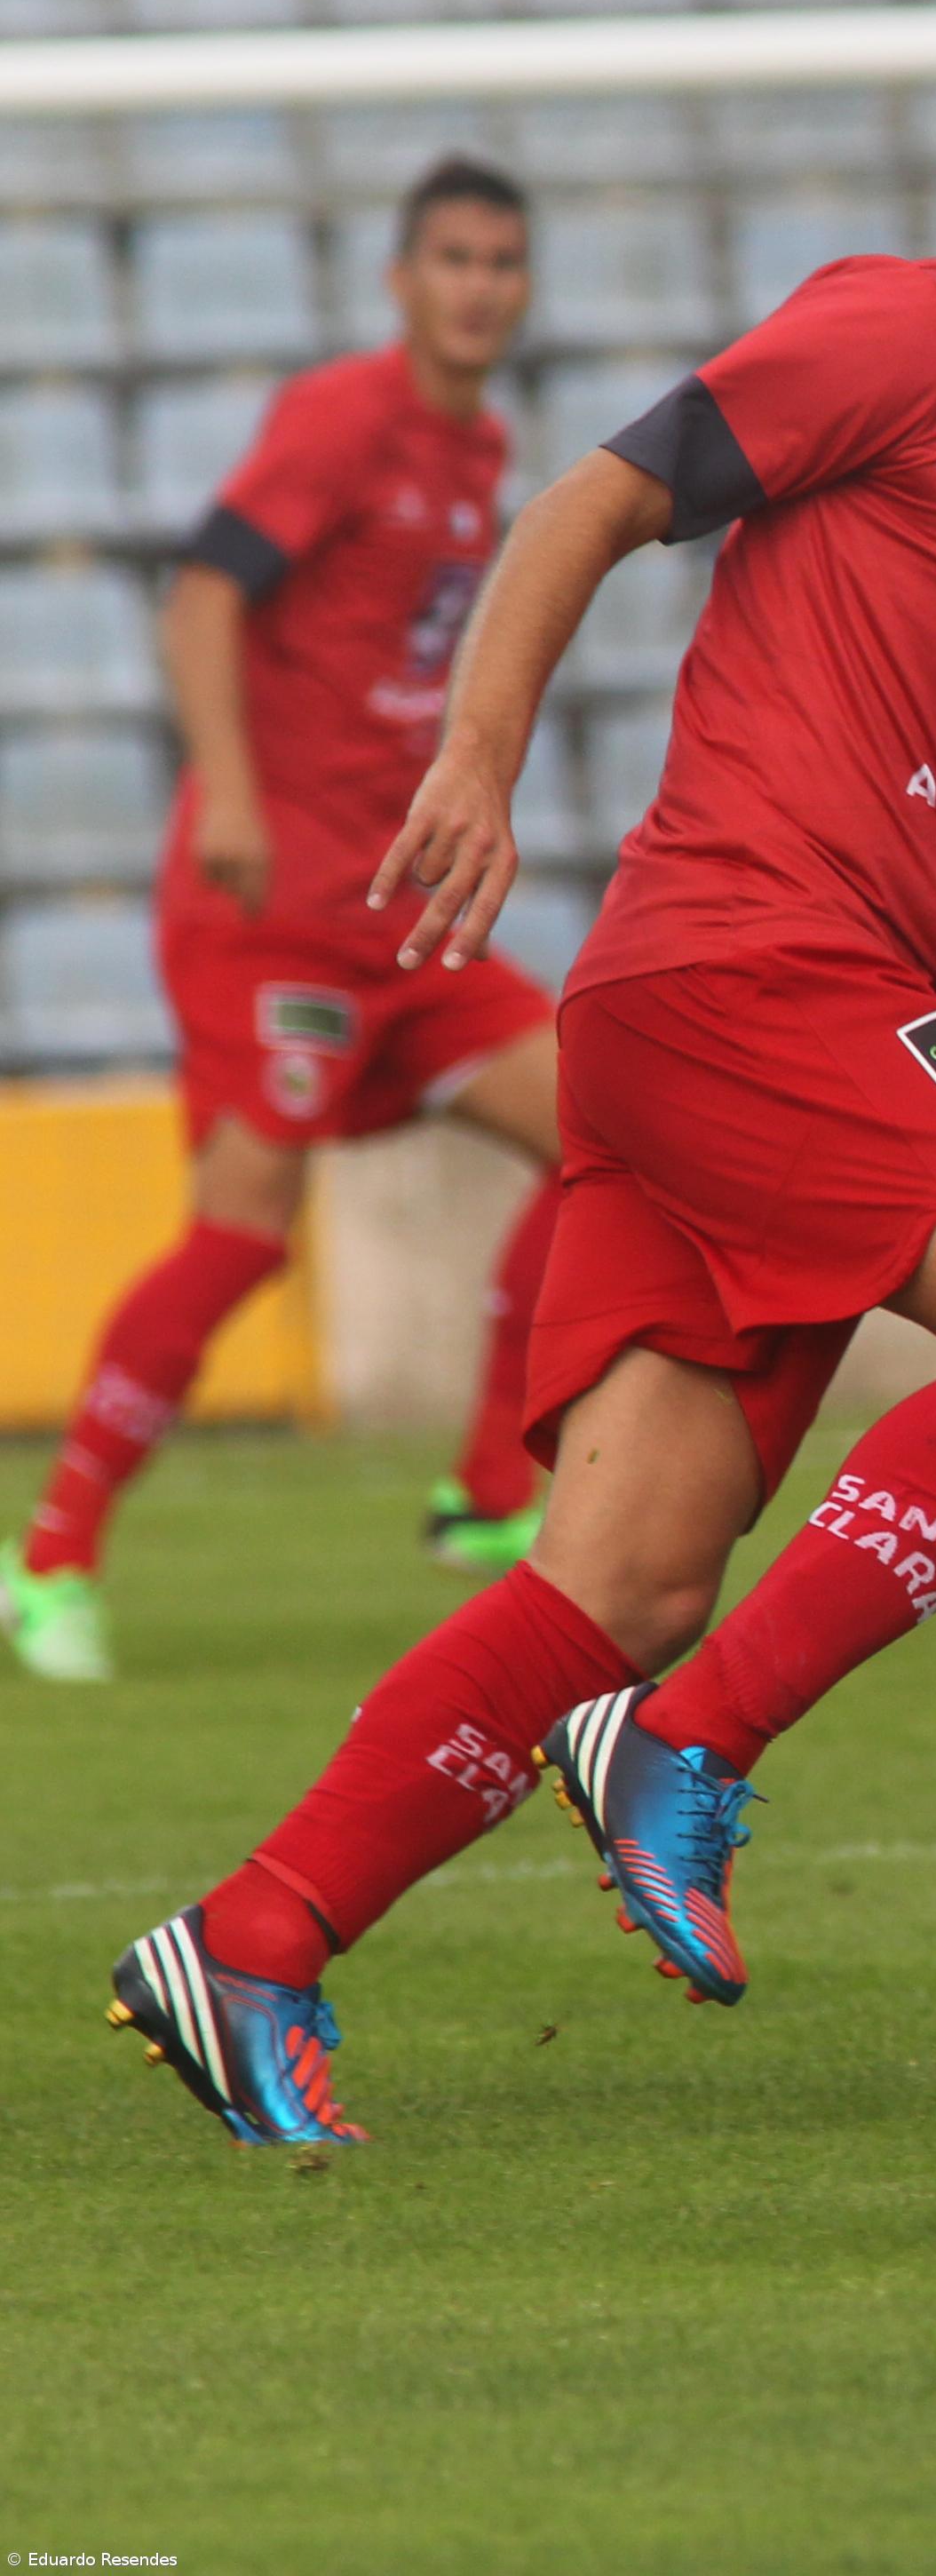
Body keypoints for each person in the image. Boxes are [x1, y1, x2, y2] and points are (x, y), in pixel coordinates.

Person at [105, 0, 936, 2147]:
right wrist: (476, 760)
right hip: (746, 969)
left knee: (626, 1576)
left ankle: (251, 1943)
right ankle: (694, 1741)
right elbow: (595, 499)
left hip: (805, 1006)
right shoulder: (911, 325)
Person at [7, 162, 567, 1685]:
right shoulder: (343, 415)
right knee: (244, 1231)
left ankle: (490, 1491)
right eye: (453, 256)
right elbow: (201, 595)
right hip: (276, 909)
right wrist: (234, 797)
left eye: (504, 260)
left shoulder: (481, 446)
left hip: (399, 902)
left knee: (609, 1132)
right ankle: (49, 1553)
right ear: (401, 277)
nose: (479, 285)